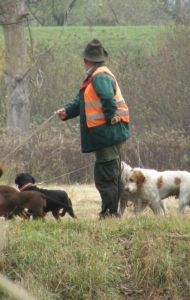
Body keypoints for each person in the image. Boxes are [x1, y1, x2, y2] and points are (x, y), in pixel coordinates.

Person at [57, 38, 130, 219]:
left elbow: (107, 99)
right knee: (109, 174)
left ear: (87, 60)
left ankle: (109, 214)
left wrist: (109, 117)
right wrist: (67, 111)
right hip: (105, 135)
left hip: (107, 135)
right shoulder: (95, 76)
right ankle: (112, 212)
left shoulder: (100, 77)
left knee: (106, 176)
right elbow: (82, 101)